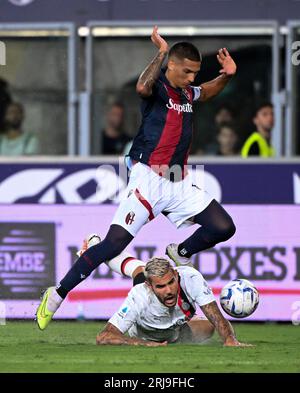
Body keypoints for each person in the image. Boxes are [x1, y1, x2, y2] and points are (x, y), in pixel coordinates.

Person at [36, 26, 237, 330]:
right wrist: (159, 52)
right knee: (114, 243)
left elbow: (206, 91)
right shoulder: (157, 89)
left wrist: (227, 76)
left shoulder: (186, 92)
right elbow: (142, 87)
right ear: (171, 65)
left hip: (178, 181)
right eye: (187, 71)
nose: (192, 78)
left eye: (195, 72)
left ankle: (179, 252)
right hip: (148, 180)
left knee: (224, 227)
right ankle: (57, 294)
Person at [96, 257, 251, 347]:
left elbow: (216, 316)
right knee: (138, 272)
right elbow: (104, 336)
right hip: (145, 335)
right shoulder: (140, 295)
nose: (169, 290)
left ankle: (192, 316)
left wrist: (230, 339)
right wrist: (142, 343)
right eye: (161, 286)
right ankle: (96, 245)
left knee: (212, 325)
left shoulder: (191, 278)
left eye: (171, 282)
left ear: (176, 275)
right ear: (150, 286)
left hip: (178, 332)